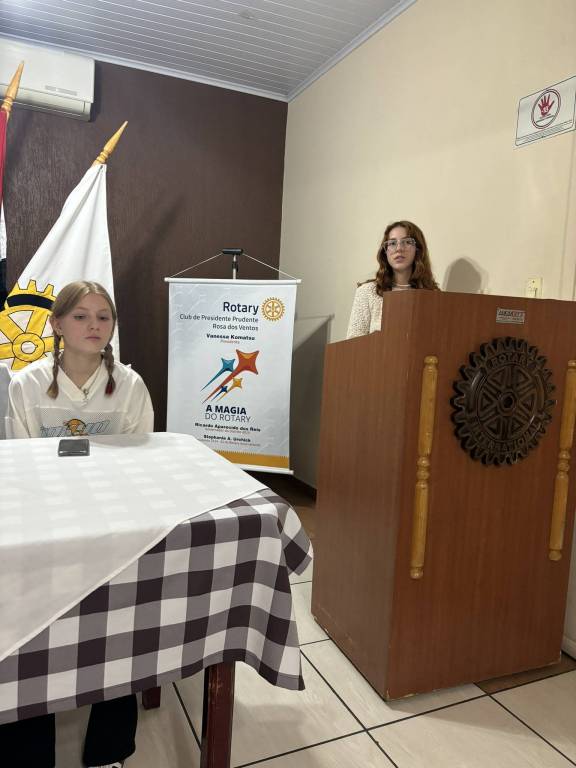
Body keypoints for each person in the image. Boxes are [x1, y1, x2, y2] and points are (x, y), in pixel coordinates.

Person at [3, 280, 154, 768]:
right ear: (57, 324)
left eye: (103, 317)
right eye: (81, 316)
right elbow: (22, 465)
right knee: (27, 625)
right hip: (46, 516)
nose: (94, 326)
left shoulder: (129, 384)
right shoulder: (27, 384)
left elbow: (142, 461)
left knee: (122, 622)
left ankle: (109, 751)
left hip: (112, 516)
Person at [346, 220, 439, 338]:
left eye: (407, 242)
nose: (399, 248)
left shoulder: (433, 295)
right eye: (392, 243)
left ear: (418, 249)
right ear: (385, 251)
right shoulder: (367, 292)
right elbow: (353, 345)